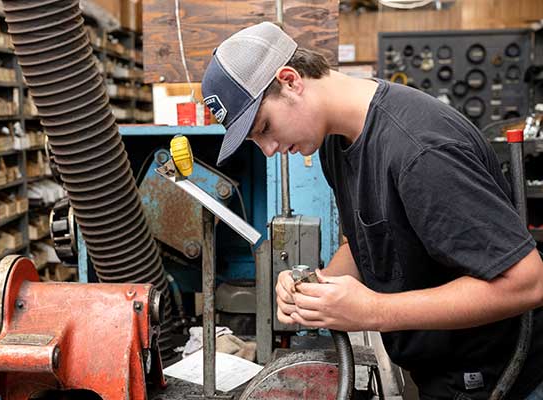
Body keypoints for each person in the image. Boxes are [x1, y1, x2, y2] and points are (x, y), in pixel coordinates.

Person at [201, 22, 543, 399]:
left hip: (501, 377)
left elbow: (527, 281)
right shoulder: (336, 139)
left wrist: (374, 310)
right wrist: (316, 289)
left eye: (264, 127)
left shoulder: (420, 151)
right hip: (440, 372)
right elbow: (364, 241)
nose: (268, 149)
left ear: (290, 80)